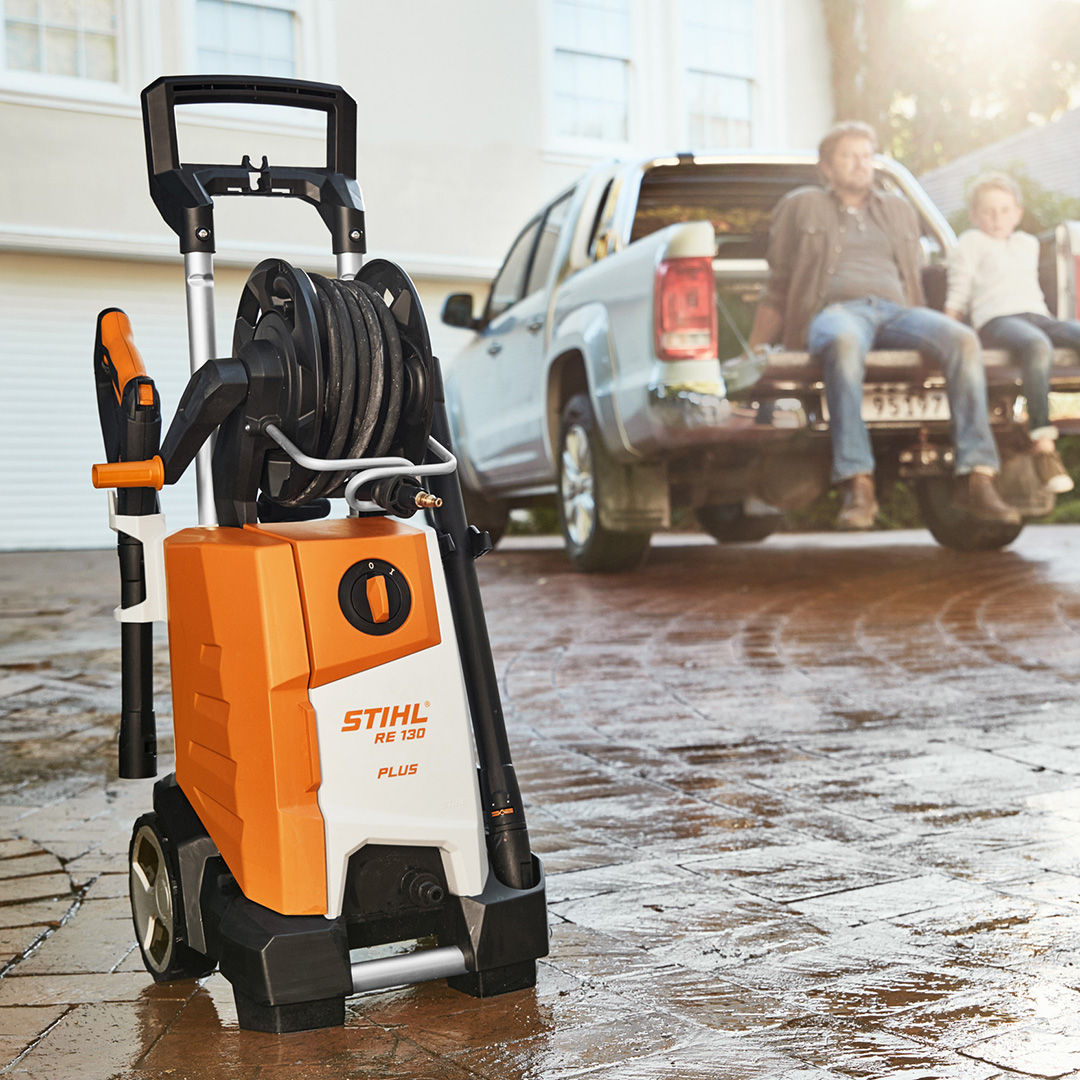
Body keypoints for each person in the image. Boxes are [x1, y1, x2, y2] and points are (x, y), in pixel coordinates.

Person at [748, 120, 1020, 531]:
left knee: (963, 340)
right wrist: (754, 351)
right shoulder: (802, 205)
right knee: (842, 343)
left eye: (866, 155)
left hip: (897, 312)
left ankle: (978, 477)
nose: (861, 164)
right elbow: (780, 284)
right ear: (826, 167)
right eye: (848, 156)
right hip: (836, 311)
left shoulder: (898, 209)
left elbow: (915, 279)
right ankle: (858, 484)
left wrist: (928, 338)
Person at [945, 172, 1076, 494]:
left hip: (1037, 314)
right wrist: (948, 326)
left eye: (1005, 210)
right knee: (1037, 346)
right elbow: (958, 293)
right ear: (974, 216)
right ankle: (1042, 443)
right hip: (997, 319)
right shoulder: (970, 243)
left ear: (1018, 213)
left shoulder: (1027, 244)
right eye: (988, 211)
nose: (997, 218)